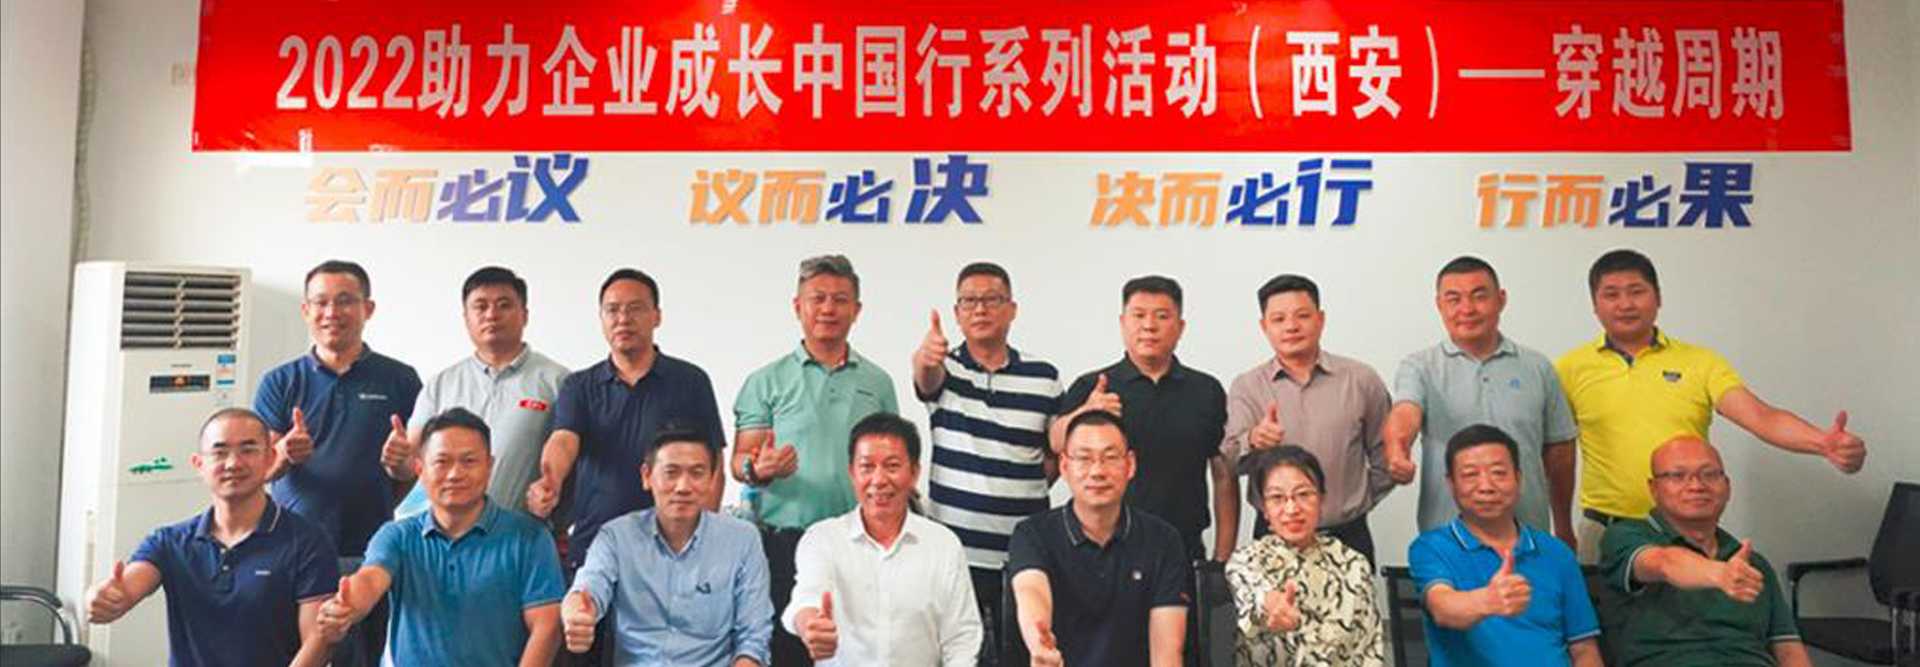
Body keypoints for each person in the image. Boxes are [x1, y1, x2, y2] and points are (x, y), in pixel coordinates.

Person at [1557, 248, 1866, 561]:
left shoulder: (1701, 362)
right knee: (1595, 596)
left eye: (1636, 292)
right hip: (1605, 529)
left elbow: (1761, 417)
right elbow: (1555, 452)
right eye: (1611, 294)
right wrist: (1561, 526)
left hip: (1686, 528)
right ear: (1595, 305)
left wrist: (1822, 442)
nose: (1625, 304)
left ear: (1658, 298)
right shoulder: (1569, 369)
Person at [731, 254, 900, 666]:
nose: (828, 309)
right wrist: (759, 469)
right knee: (789, 651)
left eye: (840, 300)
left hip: (859, 543)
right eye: (817, 298)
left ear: (856, 310)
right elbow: (740, 461)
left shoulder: (877, 382)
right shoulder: (765, 381)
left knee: (857, 652)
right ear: (797, 306)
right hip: (784, 544)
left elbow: (894, 458)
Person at [253, 259, 421, 666]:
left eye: (345, 301)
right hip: (293, 551)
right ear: (306, 310)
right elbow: (260, 473)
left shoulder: (400, 380)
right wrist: (283, 455)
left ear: (368, 308)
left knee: (359, 658)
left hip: (369, 553)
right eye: (321, 302)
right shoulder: (280, 382)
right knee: (293, 656)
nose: (332, 312)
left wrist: (399, 466)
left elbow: (411, 471)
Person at [84, 408, 338, 667]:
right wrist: (102, 598)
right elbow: (126, 588)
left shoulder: (307, 541)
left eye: (248, 450)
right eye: (219, 452)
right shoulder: (170, 542)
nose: (233, 463)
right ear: (199, 465)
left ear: (270, 458)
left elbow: (318, 642)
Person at [316, 408, 564, 665]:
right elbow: (370, 580)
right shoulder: (398, 535)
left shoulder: (530, 538)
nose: (455, 474)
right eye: (442, 462)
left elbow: (546, 628)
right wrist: (346, 607)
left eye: (469, 461)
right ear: (420, 469)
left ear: (489, 466)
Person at [910, 261, 1065, 665]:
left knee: (1025, 653)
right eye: (969, 301)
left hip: (1025, 554)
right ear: (957, 312)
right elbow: (925, 377)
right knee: (960, 656)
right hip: (956, 552)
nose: (980, 309)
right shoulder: (945, 367)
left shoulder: (1043, 376)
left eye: (991, 300)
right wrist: (925, 357)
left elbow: (1054, 454)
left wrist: (1019, 485)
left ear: (1012, 309)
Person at [1383, 256, 1578, 545]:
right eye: (1454, 299)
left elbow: (1560, 452)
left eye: (1479, 296)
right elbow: (1405, 411)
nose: (1467, 309)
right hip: (1447, 541)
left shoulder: (1538, 367)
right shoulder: (1420, 367)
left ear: (1501, 300)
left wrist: (1563, 526)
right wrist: (1397, 451)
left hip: (1529, 535)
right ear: (1439, 305)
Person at [560, 423, 773, 667]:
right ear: (647, 476)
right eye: (671, 472)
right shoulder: (616, 536)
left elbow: (754, 636)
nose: (683, 487)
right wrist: (576, 614)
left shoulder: (742, 540)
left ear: (712, 479)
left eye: (697, 473)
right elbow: (588, 588)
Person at [1059, 275, 1235, 564]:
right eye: (1138, 315)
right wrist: (1085, 412)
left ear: (1181, 327)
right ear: (1122, 323)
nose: (1149, 326)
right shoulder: (1093, 386)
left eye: (1162, 316)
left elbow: (1223, 474)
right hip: (1102, 549)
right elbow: (1055, 442)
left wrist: (1222, 559)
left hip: (1183, 547)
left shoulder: (1206, 390)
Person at [782, 413, 982, 666]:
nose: (878, 480)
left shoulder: (943, 545)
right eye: (867, 467)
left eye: (892, 466)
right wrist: (811, 626)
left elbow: (961, 639)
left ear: (914, 473)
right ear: (852, 473)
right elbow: (806, 600)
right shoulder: (822, 539)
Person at [1598, 436, 1810, 667]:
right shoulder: (1624, 536)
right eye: (1678, 476)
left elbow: (1788, 650)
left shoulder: (1752, 563)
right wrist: (1719, 574)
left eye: (1709, 475)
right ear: (1654, 488)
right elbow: (1664, 563)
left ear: (1727, 487)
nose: (1696, 486)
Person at [1223, 274, 1390, 561]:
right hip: (1275, 538)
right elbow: (1229, 462)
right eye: (1279, 319)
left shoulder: (1361, 379)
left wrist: (1356, 500)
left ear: (1320, 319)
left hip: (1347, 536)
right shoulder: (1247, 386)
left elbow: (1386, 455)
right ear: (1264, 326)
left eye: (1302, 316)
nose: (1291, 326)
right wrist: (1253, 440)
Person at [1408, 424, 1602, 667]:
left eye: (1499, 473)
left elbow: (1584, 649)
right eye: (1470, 475)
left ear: (1518, 479)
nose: (1486, 487)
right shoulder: (1432, 548)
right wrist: (1487, 601)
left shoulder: (1557, 553)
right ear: (1451, 483)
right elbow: (1442, 608)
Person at [1008, 410, 1190, 667]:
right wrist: (1040, 644)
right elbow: (1031, 590)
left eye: (1110, 457)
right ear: (1064, 466)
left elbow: (1167, 655)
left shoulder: (1163, 540)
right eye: (1084, 458)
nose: (1097, 471)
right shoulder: (1032, 534)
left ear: (1130, 465)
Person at [388, 266, 568, 518]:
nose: (491, 314)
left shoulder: (558, 381)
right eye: (480, 307)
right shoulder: (441, 384)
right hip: (446, 534)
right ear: (466, 318)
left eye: (504, 305)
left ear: (525, 315)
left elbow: (571, 463)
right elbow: (410, 466)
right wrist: (397, 461)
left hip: (521, 533)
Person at [1226, 446, 1384, 667]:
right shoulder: (1246, 561)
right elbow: (1257, 597)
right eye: (1277, 498)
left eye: (1303, 495)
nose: (1292, 509)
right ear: (1264, 510)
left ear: (1321, 500)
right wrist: (1270, 605)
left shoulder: (1353, 564)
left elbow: (1370, 650)